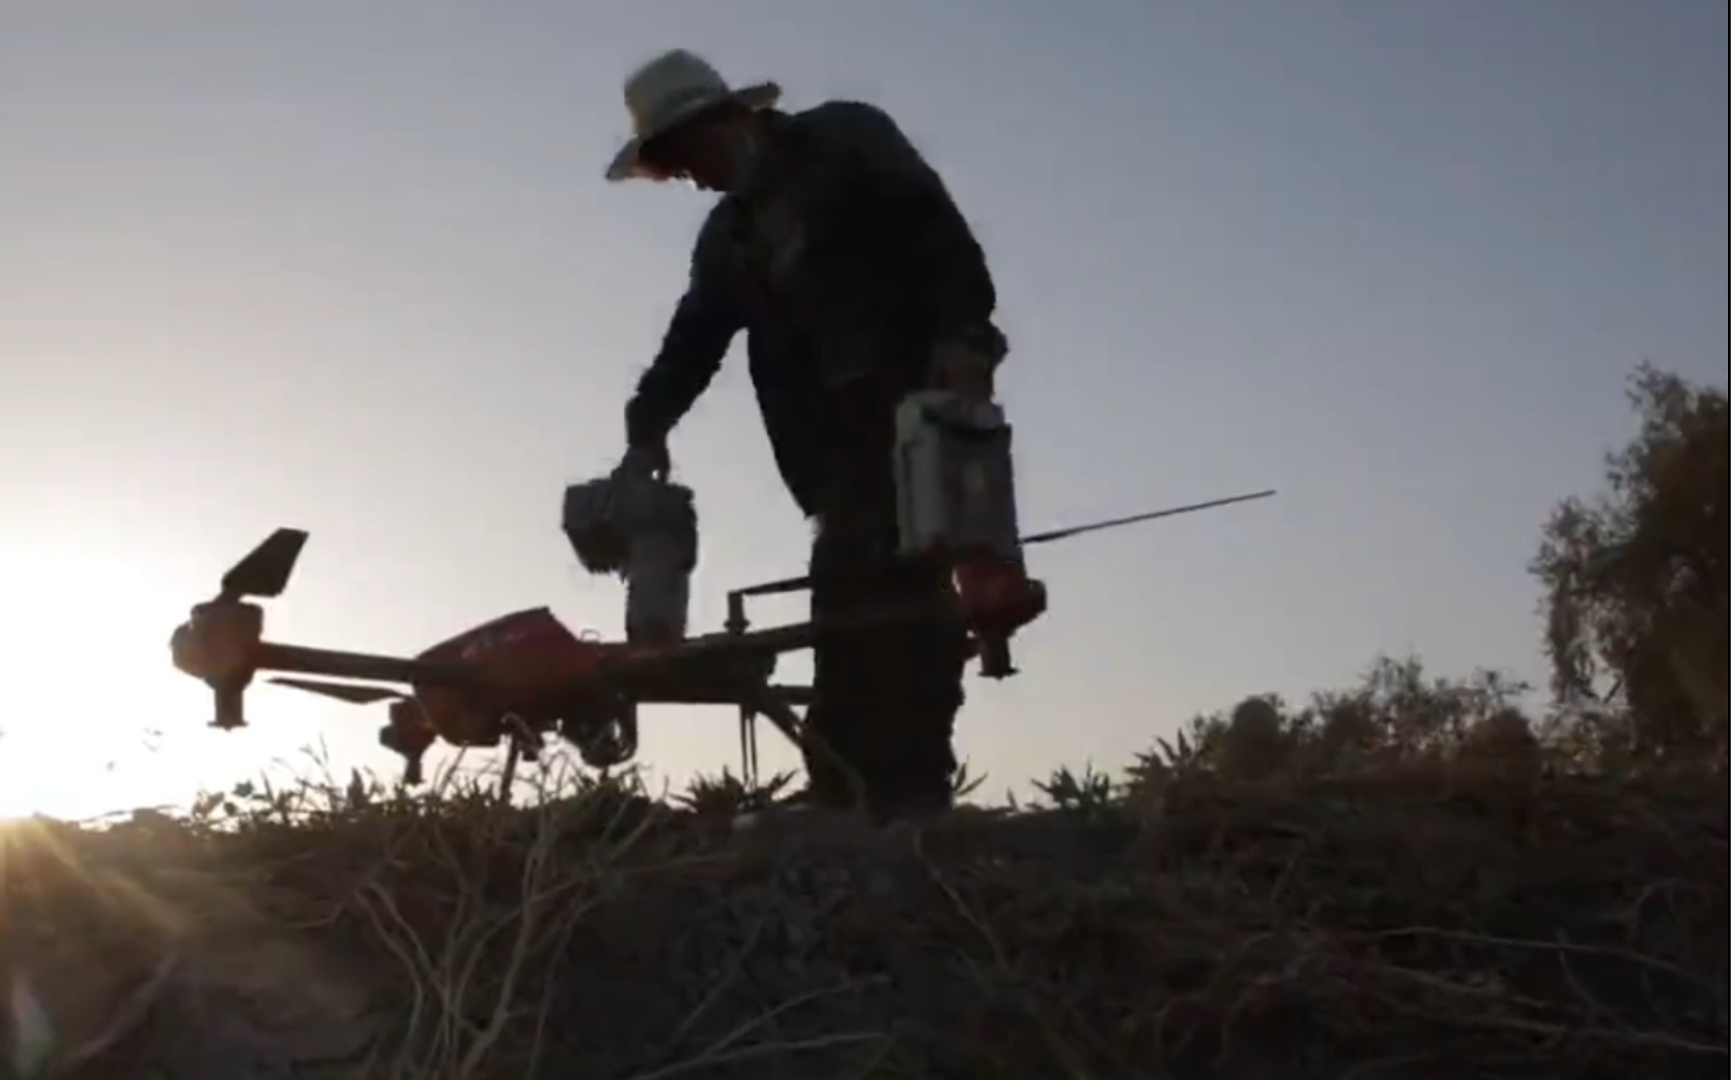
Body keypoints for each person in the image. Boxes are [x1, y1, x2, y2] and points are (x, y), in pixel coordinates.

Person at [605, 49, 1008, 821]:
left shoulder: (844, 141)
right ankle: (870, 797)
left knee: (886, 599)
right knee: (862, 595)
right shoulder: (726, 240)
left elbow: (938, 232)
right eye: (674, 167)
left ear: (723, 122)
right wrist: (647, 425)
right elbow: (693, 340)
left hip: (915, 404)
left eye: (687, 156)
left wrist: (962, 339)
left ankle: (880, 795)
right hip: (826, 446)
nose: (689, 177)